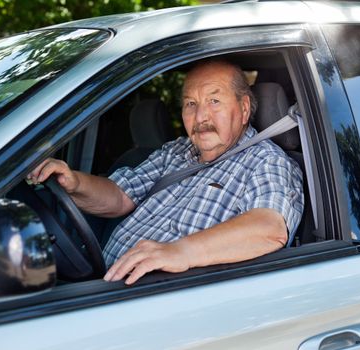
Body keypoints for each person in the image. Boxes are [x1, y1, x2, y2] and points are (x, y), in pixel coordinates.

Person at [29, 60, 304, 285]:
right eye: (190, 104)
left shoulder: (267, 161)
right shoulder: (176, 151)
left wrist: (179, 252)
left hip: (160, 302)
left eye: (214, 101)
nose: (201, 118)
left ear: (244, 109)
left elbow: (270, 228)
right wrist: (75, 182)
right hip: (105, 281)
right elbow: (120, 196)